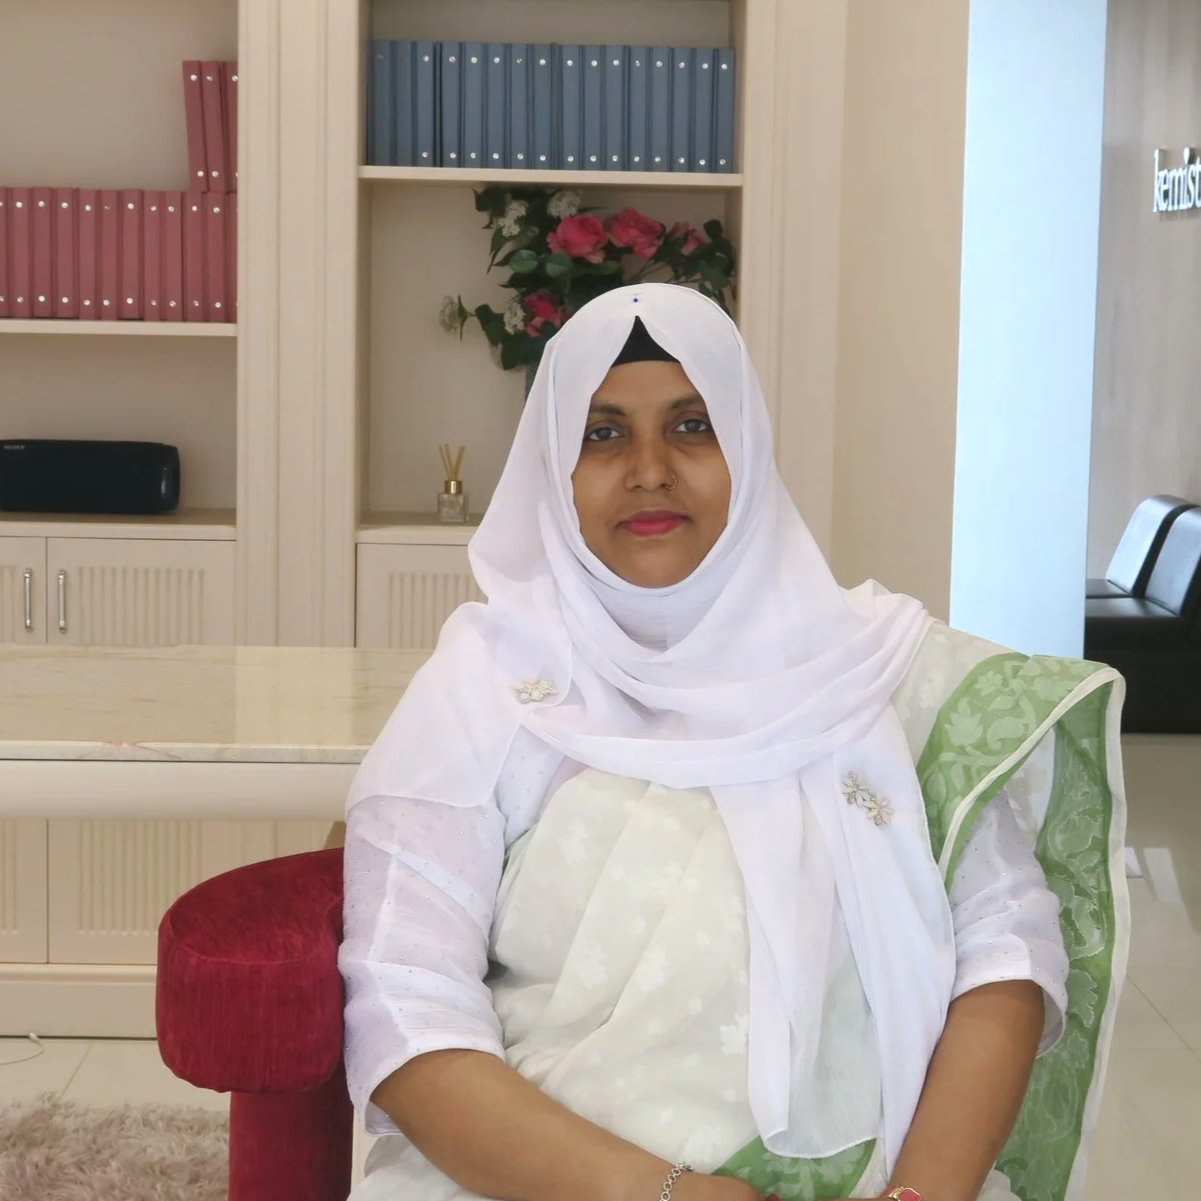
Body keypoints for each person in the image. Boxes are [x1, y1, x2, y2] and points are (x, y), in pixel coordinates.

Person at [339, 284, 1127, 1201]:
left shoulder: (878, 673)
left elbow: (1005, 949)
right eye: (601, 433)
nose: (647, 470)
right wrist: (663, 1194)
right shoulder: (487, 689)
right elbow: (406, 1004)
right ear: (551, 468)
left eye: (691, 426)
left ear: (747, 453)